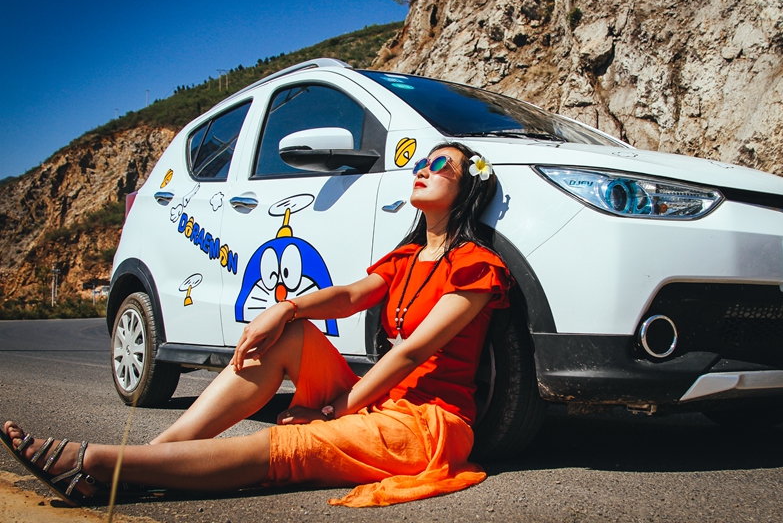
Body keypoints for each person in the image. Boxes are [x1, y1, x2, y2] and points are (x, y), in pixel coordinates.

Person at [1, 141, 511, 508]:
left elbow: (411, 352)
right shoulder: (406, 257)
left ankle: (97, 464)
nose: (422, 169)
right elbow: (352, 295)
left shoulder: (476, 266)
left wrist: (332, 411)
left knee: (294, 447)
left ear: (467, 186)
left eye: (439, 164)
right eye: (420, 162)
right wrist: (286, 308)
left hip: (426, 423)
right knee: (288, 334)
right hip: (380, 400)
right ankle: (152, 458)